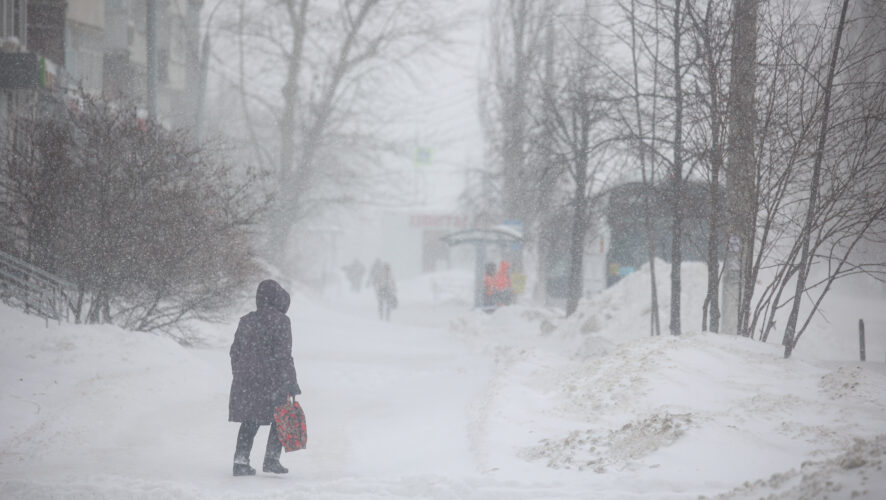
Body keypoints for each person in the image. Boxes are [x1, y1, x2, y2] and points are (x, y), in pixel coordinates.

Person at [229, 279, 302, 476]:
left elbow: (235, 351)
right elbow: (283, 355)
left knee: (250, 420)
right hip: (272, 380)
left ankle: (240, 461)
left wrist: (240, 372)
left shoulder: (246, 320)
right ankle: (271, 459)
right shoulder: (281, 321)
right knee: (281, 415)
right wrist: (291, 381)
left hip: (247, 379)